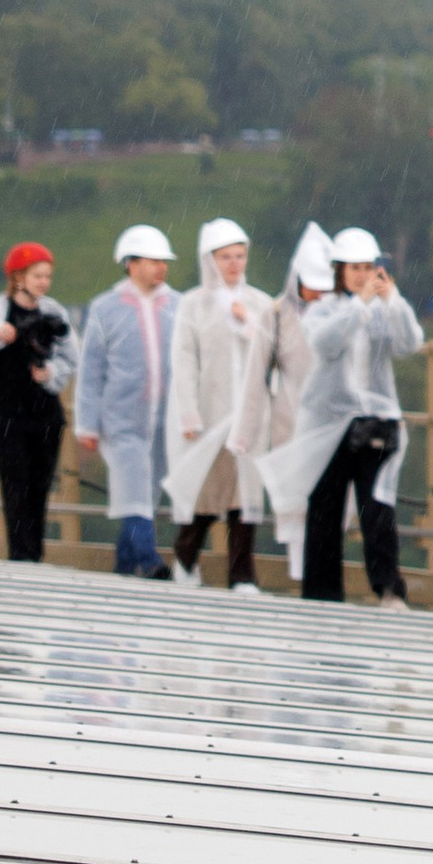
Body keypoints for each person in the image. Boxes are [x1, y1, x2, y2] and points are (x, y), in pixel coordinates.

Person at [266, 229, 425, 608]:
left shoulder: (383, 310)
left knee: (378, 507)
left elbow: (409, 343)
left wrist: (394, 301)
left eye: (368, 267)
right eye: (354, 268)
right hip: (330, 424)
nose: (361, 275)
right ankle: (322, 593)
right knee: (324, 508)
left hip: (375, 421)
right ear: (339, 270)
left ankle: (388, 588)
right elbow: (324, 343)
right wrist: (359, 306)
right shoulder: (324, 309)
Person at [165, 217, 273, 593]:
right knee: (206, 493)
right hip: (210, 414)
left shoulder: (260, 303)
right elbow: (184, 360)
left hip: (249, 417)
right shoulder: (193, 305)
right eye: (224, 256)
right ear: (209, 259)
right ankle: (185, 555)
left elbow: (273, 352)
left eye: (239, 256)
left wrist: (250, 324)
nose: (233, 264)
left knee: (245, 495)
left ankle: (242, 574)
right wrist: (189, 412)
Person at [74, 225, 178, 579]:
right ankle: (149, 562)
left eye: (164, 262)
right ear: (131, 263)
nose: (161, 268)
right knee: (133, 489)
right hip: (121, 420)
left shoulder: (177, 306)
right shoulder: (105, 308)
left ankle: (123, 568)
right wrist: (87, 424)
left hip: (166, 420)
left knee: (145, 495)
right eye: (153, 261)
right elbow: (91, 370)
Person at [230, 222, 334, 526]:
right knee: (293, 506)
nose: (318, 293)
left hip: (331, 423)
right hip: (289, 421)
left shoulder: (342, 314)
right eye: (311, 284)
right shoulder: (275, 316)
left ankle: (319, 571)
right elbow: (254, 378)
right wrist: (244, 433)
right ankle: (302, 569)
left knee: (329, 507)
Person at [0, 246, 77, 562]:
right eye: (37, 275)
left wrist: (50, 374)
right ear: (18, 276)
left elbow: (70, 357)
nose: (44, 282)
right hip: (6, 413)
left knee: (39, 485)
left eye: (48, 275)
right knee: (15, 484)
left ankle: (34, 555)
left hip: (45, 413)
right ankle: (21, 556)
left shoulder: (54, 313)